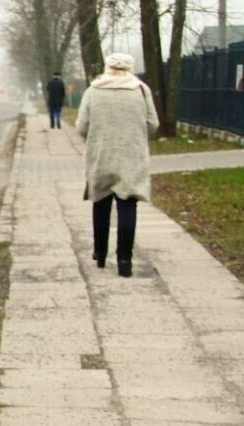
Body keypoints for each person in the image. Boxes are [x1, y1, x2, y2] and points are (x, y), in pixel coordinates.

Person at [76, 53, 159, 278]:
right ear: (130, 69)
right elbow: (153, 124)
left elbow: (82, 126)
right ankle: (125, 261)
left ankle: (100, 254)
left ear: (107, 67)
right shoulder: (141, 90)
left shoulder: (93, 90)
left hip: (101, 154)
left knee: (101, 202)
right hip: (131, 156)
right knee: (127, 204)